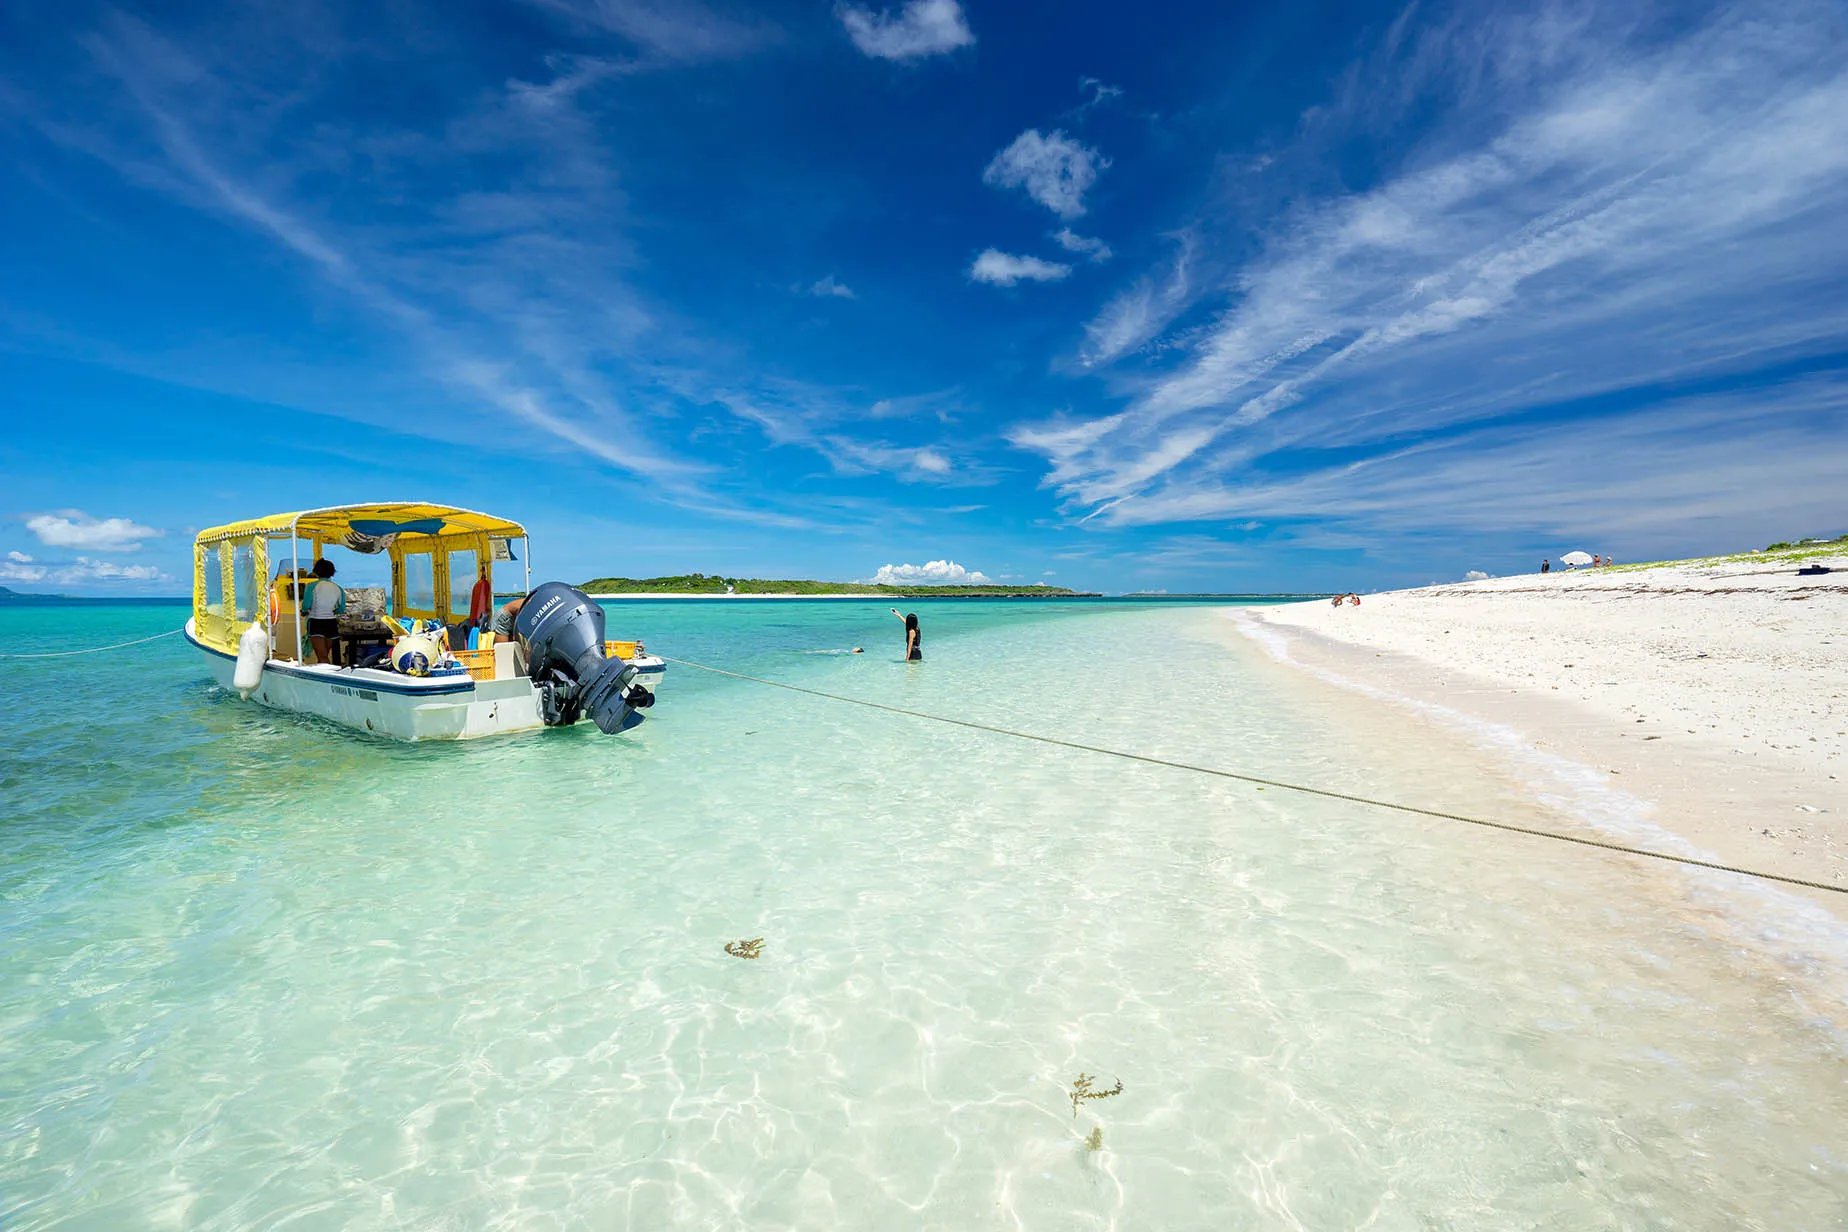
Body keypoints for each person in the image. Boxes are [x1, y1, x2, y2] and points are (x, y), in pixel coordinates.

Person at [303, 558, 346, 665]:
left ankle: (329, 678)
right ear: (332, 572)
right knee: (324, 655)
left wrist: (304, 611)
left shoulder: (311, 586)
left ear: (316, 571)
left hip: (316, 622)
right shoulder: (338, 588)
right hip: (331, 623)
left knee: (322, 657)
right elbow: (341, 608)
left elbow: (306, 605)